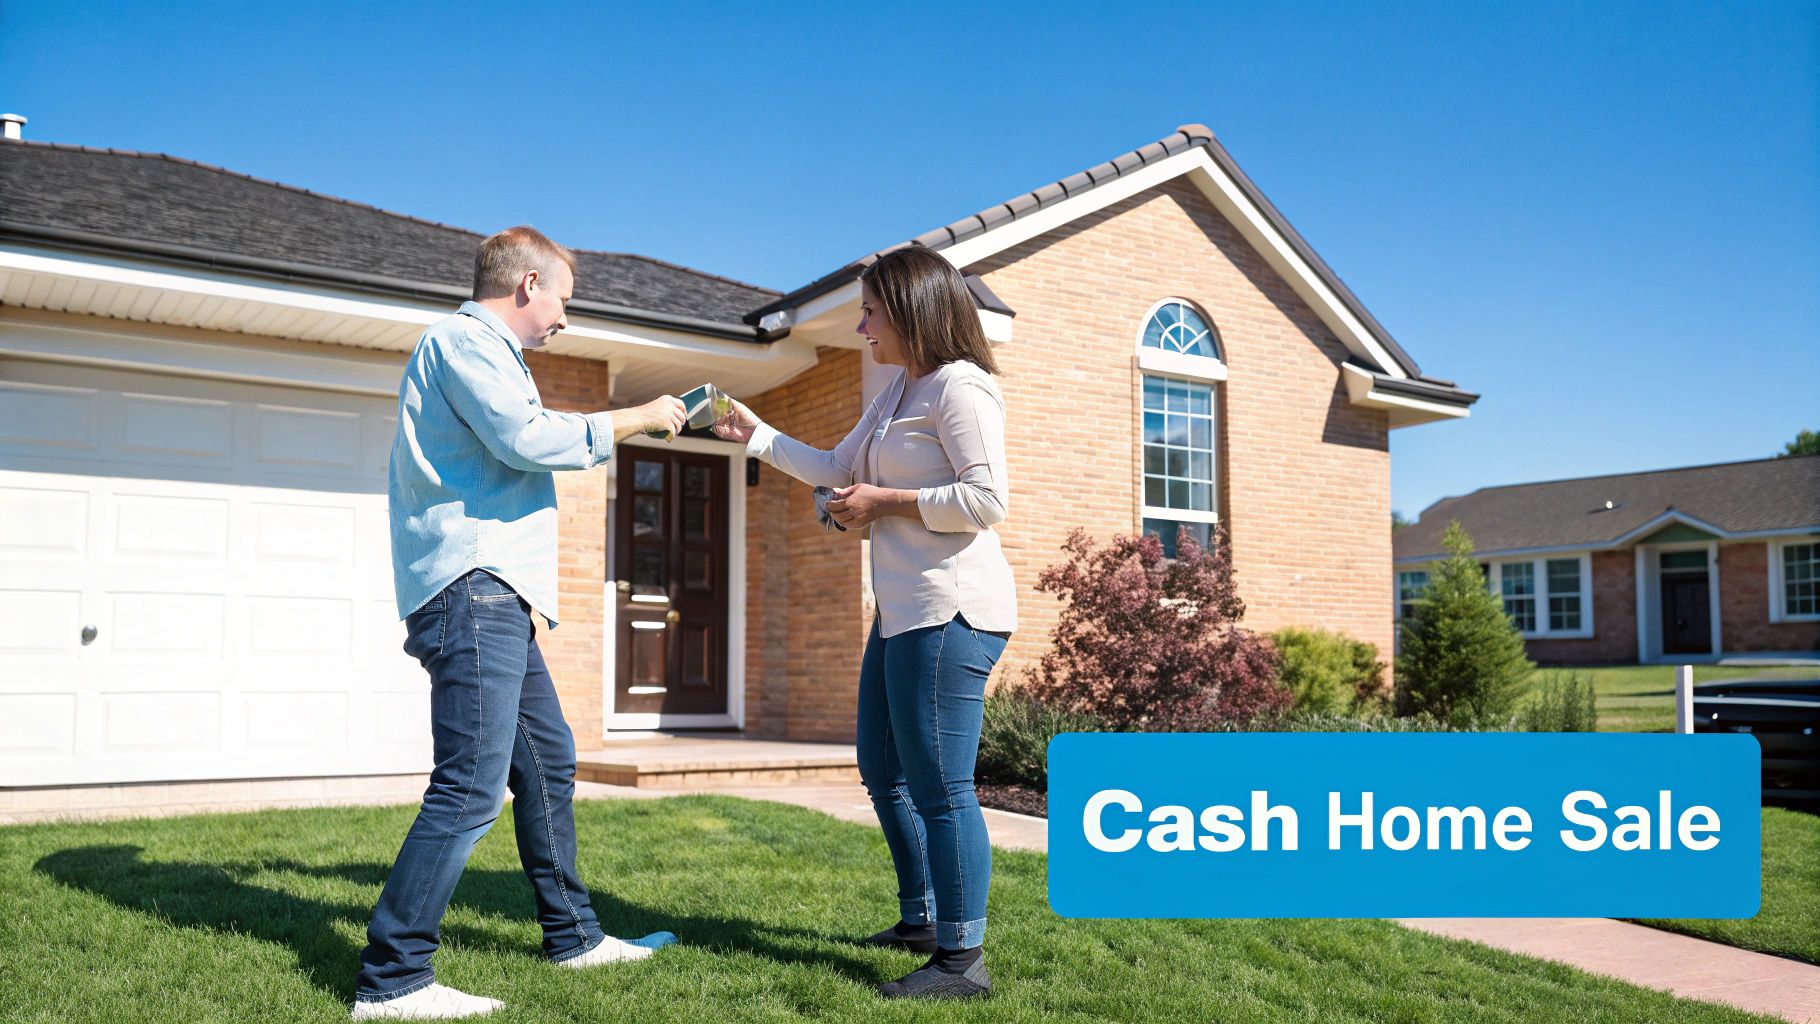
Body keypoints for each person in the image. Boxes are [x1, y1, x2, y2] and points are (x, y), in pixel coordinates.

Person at [354, 226, 687, 1020]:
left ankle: (573, 936)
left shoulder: (492, 357)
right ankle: (393, 978)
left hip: (496, 593)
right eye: (564, 301)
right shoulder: (463, 342)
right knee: (471, 785)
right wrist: (635, 417)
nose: (565, 319)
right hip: (472, 588)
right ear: (528, 285)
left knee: (549, 764)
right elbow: (524, 439)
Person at [712, 243, 1015, 1001]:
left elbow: (986, 501)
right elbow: (839, 468)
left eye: (872, 311)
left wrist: (883, 505)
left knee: (943, 788)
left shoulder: (960, 388)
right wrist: (754, 435)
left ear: (911, 310)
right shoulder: (896, 392)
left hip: (952, 611)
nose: (861, 327)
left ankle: (961, 963)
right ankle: (921, 921)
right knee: (883, 770)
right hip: (902, 612)